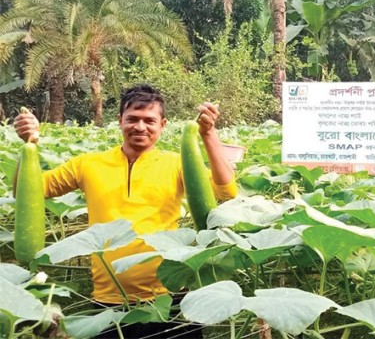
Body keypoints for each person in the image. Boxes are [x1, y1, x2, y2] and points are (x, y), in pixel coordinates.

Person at [13, 84, 238, 338]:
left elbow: (226, 191)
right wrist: (29, 146)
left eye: (149, 120)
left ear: (162, 125)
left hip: (170, 298)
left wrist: (207, 134)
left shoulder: (176, 164)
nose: (140, 127)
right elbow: (26, 191)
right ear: (120, 120)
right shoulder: (88, 164)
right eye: (133, 119)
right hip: (109, 303)